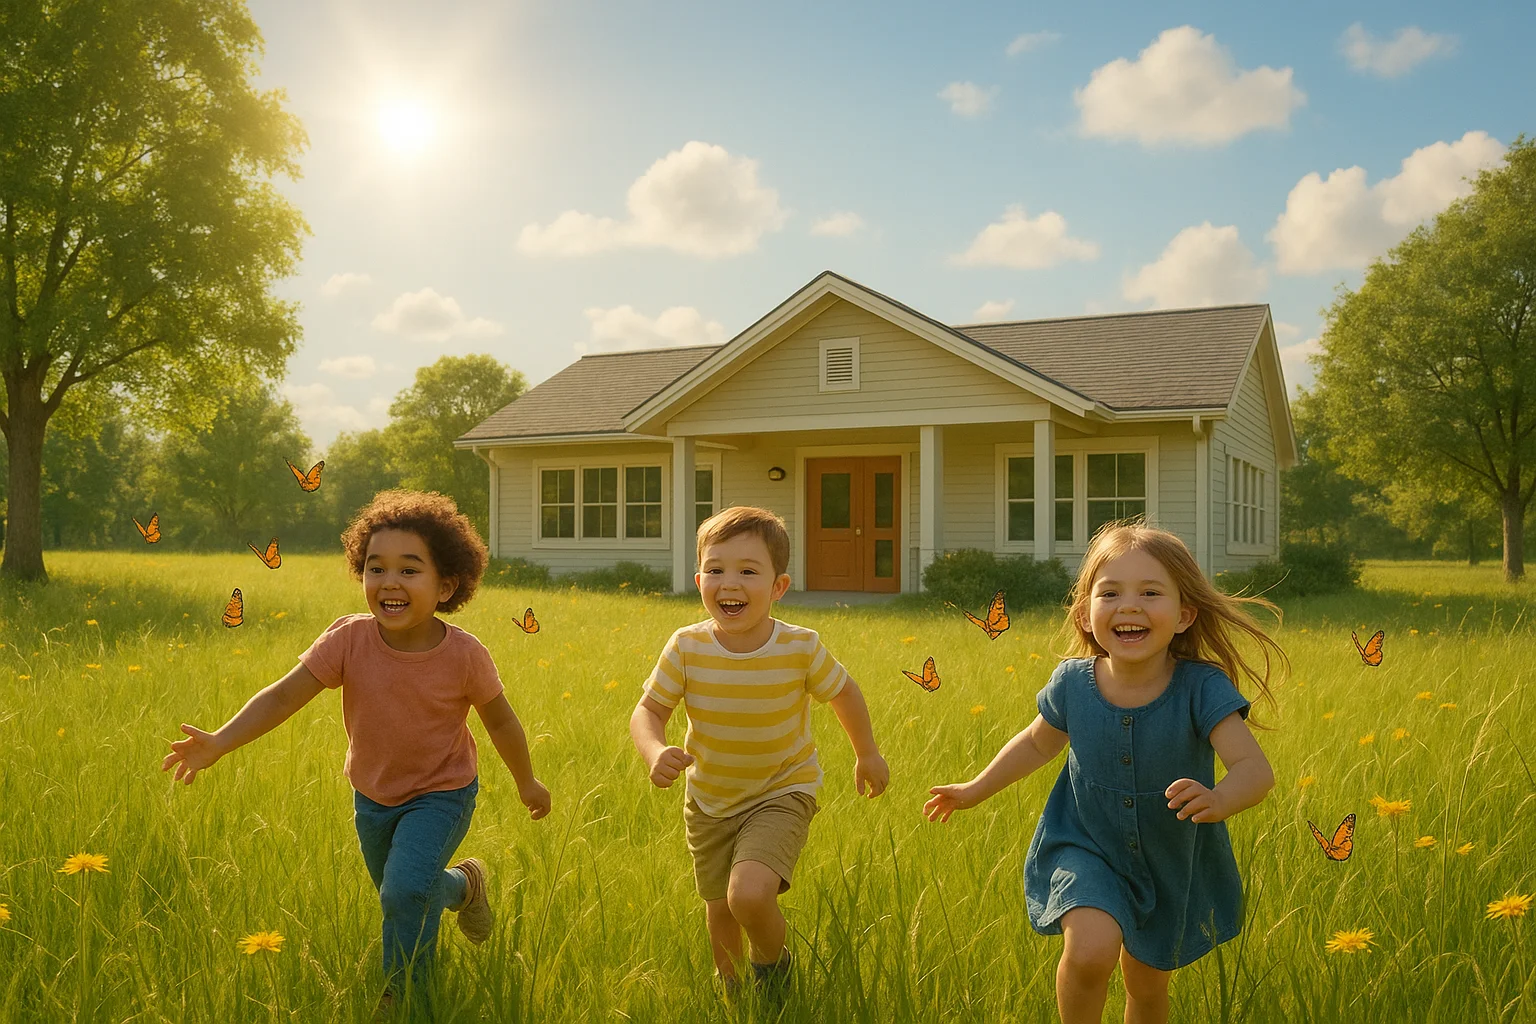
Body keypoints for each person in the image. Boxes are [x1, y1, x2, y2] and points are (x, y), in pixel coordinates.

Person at [161, 490, 551, 1016]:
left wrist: (526, 780)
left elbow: (500, 719)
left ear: (446, 585)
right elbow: (282, 695)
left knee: (402, 892)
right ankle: (464, 886)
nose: (389, 582)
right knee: (406, 892)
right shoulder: (348, 640)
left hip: (443, 792)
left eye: (409, 570)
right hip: (372, 794)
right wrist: (220, 741)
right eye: (376, 568)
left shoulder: (464, 655)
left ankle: (407, 995)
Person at [924, 522, 1283, 1024]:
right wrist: (974, 789)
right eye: (1109, 593)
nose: (1129, 606)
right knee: (1090, 953)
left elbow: (1254, 770)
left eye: (1150, 593)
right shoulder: (1072, 683)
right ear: (1086, 615)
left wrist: (1220, 798)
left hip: (1169, 857)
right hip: (1086, 844)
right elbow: (1034, 743)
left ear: (1184, 616)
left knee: (1146, 984)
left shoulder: (1202, 688)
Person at [629, 505, 889, 1002]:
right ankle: (732, 995)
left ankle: (774, 972)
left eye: (748, 571)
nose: (730, 583)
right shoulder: (686, 646)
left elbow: (845, 693)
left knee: (747, 894)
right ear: (699, 578)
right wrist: (654, 750)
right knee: (719, 907)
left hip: (781, 790)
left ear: (778, 587)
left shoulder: (799, 647)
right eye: (717, 570)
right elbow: (648, 711)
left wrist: (867, 753)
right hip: (708, 799)